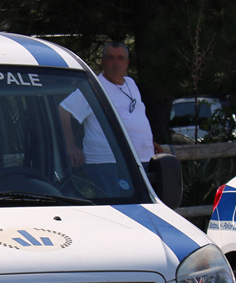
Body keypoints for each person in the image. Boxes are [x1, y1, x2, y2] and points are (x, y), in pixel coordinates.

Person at [59, 41, 164, 193]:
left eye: (120, 58)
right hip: (108, 163)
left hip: (141, 160)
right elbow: (64, 110)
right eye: (110, 58)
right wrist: (71, 145)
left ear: (127, 63)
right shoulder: (94, 86)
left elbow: (133, 116)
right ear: (102, 62)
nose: (115, 63)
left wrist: (147, 141)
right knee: (119, 211)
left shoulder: (131, 83)